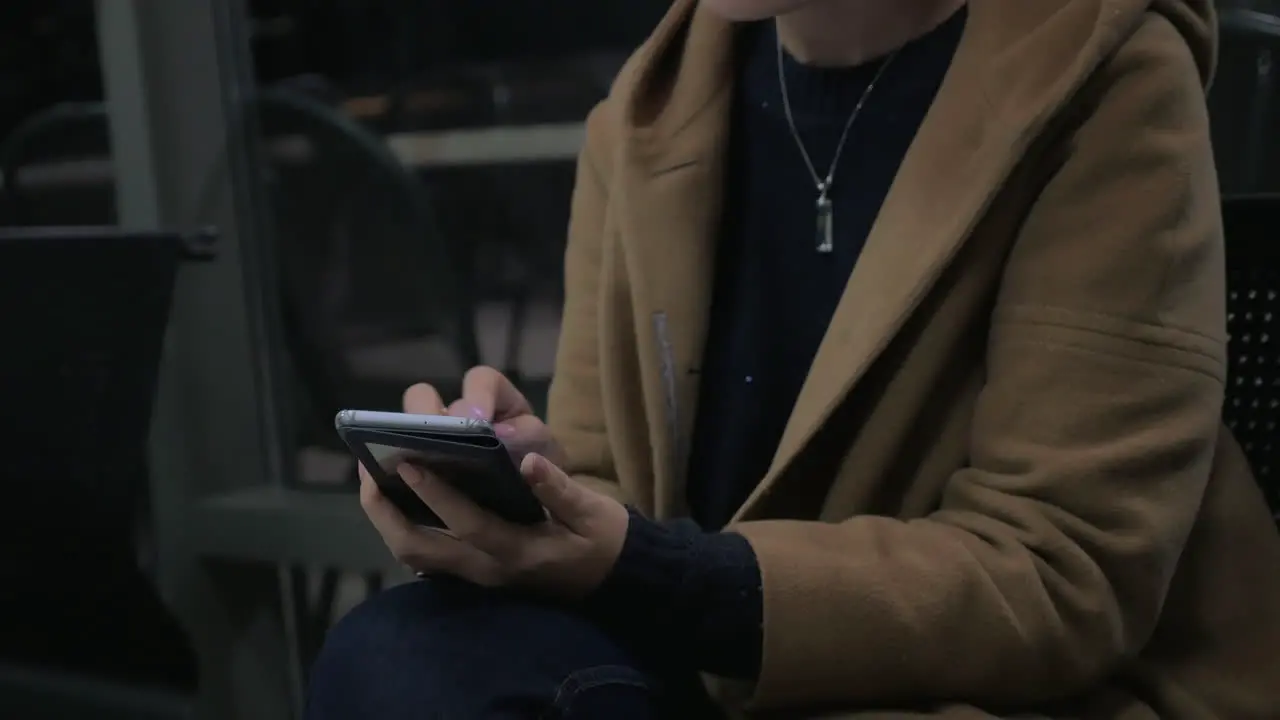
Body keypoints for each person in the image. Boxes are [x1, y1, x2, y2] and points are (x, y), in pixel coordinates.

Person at [305, 0, 1280, 717]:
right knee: (396, 657)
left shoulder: (1098, 80)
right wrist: (534, 486)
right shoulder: (649, 117)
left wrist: (673, 575)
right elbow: (618, 490)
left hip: (998, 684)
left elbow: (1061, 574)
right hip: (709, 665)